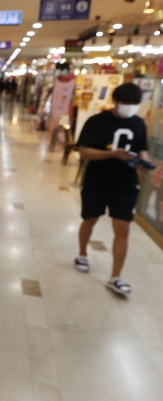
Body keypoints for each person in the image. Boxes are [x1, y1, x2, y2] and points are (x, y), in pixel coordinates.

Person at [74, 83, 151, 295]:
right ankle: (82, 253)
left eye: (134, 103)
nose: (130, 107)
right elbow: (83, 151)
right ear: (115, 102)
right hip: (97, 180)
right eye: (126, 103)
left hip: (125, 183)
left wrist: (143, 161)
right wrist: (112, 154)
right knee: (90, 219)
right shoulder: (97, 122)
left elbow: (142, 147)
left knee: (123, 228)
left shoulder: (138, 124)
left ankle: (116, 276)